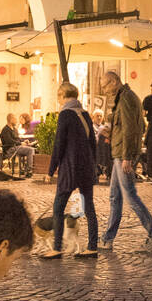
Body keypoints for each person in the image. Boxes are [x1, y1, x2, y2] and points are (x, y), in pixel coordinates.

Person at [99, 71, 152, 249]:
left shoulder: (126, 99)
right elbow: (128, 126)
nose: (104, 89)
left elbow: (131, 129)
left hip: (123, 155)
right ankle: (108, 238)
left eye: (106, 85)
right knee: (115, 196)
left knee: (130, 196)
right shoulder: (124, 97)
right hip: (119, 154)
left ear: (115, 82)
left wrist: (127, 157)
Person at [44, 83, 98, 259]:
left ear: (62, 96)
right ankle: (92, 247)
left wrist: (50, 170)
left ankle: (57, 248)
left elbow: (59, 144)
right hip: (86, 167)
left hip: (70, 167)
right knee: (89, 206)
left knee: (58, 207)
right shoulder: (85, 114)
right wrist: (94, 165)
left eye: (58, 97)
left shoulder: (65, 114)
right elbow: (93, 143)